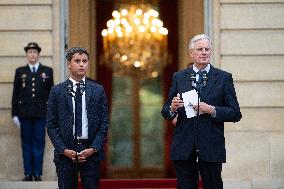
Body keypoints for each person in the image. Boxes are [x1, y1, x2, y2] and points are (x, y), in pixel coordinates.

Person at [161, 34, 242, 189]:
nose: (204, 52)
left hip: (211, 146)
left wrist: (211, 109)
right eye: (200, 49)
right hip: (184, 146)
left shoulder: (223, 77)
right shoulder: (179, 77)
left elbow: (235, 113)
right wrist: (172, 108)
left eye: (207, 49)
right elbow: (165, 111)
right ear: (192, 53)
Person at [47, 47, 109, 189]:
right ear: (69, 64)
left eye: (85, 61)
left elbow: (104, 123)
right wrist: (64, 150)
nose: (82, 64)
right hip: (65, 153)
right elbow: (51, 125)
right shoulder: (57, 91)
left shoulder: (98, 90)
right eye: (77, 61)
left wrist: (93, 148)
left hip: (91, 152)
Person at [11, 42, 54, 181]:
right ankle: (28, 174)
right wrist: (14, 114)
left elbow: (51, 95)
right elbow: (15, 94)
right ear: (27, 55)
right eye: (30, 52)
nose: (32, 54)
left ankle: (37, 173)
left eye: (35, 52)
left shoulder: (47, 71)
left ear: (38, 54)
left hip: (41, 114)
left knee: (39, 144)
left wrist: (51, 115)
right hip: (24, 114)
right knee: (26, 144)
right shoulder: (20, 71)